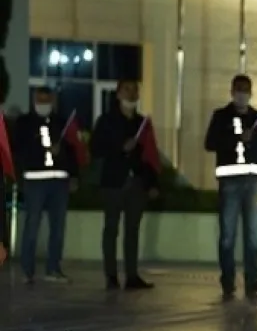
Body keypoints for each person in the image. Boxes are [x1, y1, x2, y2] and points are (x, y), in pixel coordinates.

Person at [204, 74, 257, 300]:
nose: (242, 93)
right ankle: (227, 280)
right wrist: (236, 139)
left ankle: (252, 279)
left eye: (246, 89)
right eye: (238, 89)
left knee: (253, 235)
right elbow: (210, 143)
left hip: (253, 182)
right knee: (228, 235)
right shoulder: (221, 116)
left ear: (251, 92)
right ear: (232, 91)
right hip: (230, 183)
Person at [89, 79, 157, 290]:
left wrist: (152, 182)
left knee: (133, 230)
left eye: (135, 91)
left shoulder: (142, 123)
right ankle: (111, 276)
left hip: (136, 183)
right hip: (113, 182)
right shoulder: (107, 120)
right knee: (111, 229)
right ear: (118, 93)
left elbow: (150, 156)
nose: (132, 94)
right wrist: (120, 147)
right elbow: (96, 148)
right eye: (127, 90)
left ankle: (132, 275)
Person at [12, 87, 78, 284]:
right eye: (39, 100)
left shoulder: (62, 122)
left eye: (46, 100)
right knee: (32, 225)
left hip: (59, 182)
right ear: (33, 100)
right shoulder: (24, 123)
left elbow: (73, 150)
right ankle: (27, 269)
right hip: (35, 181)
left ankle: (53, 268)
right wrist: (42, 148)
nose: (43, 104)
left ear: (53, 101)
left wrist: (73, 174)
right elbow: (19, 150)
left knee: (58, 227)